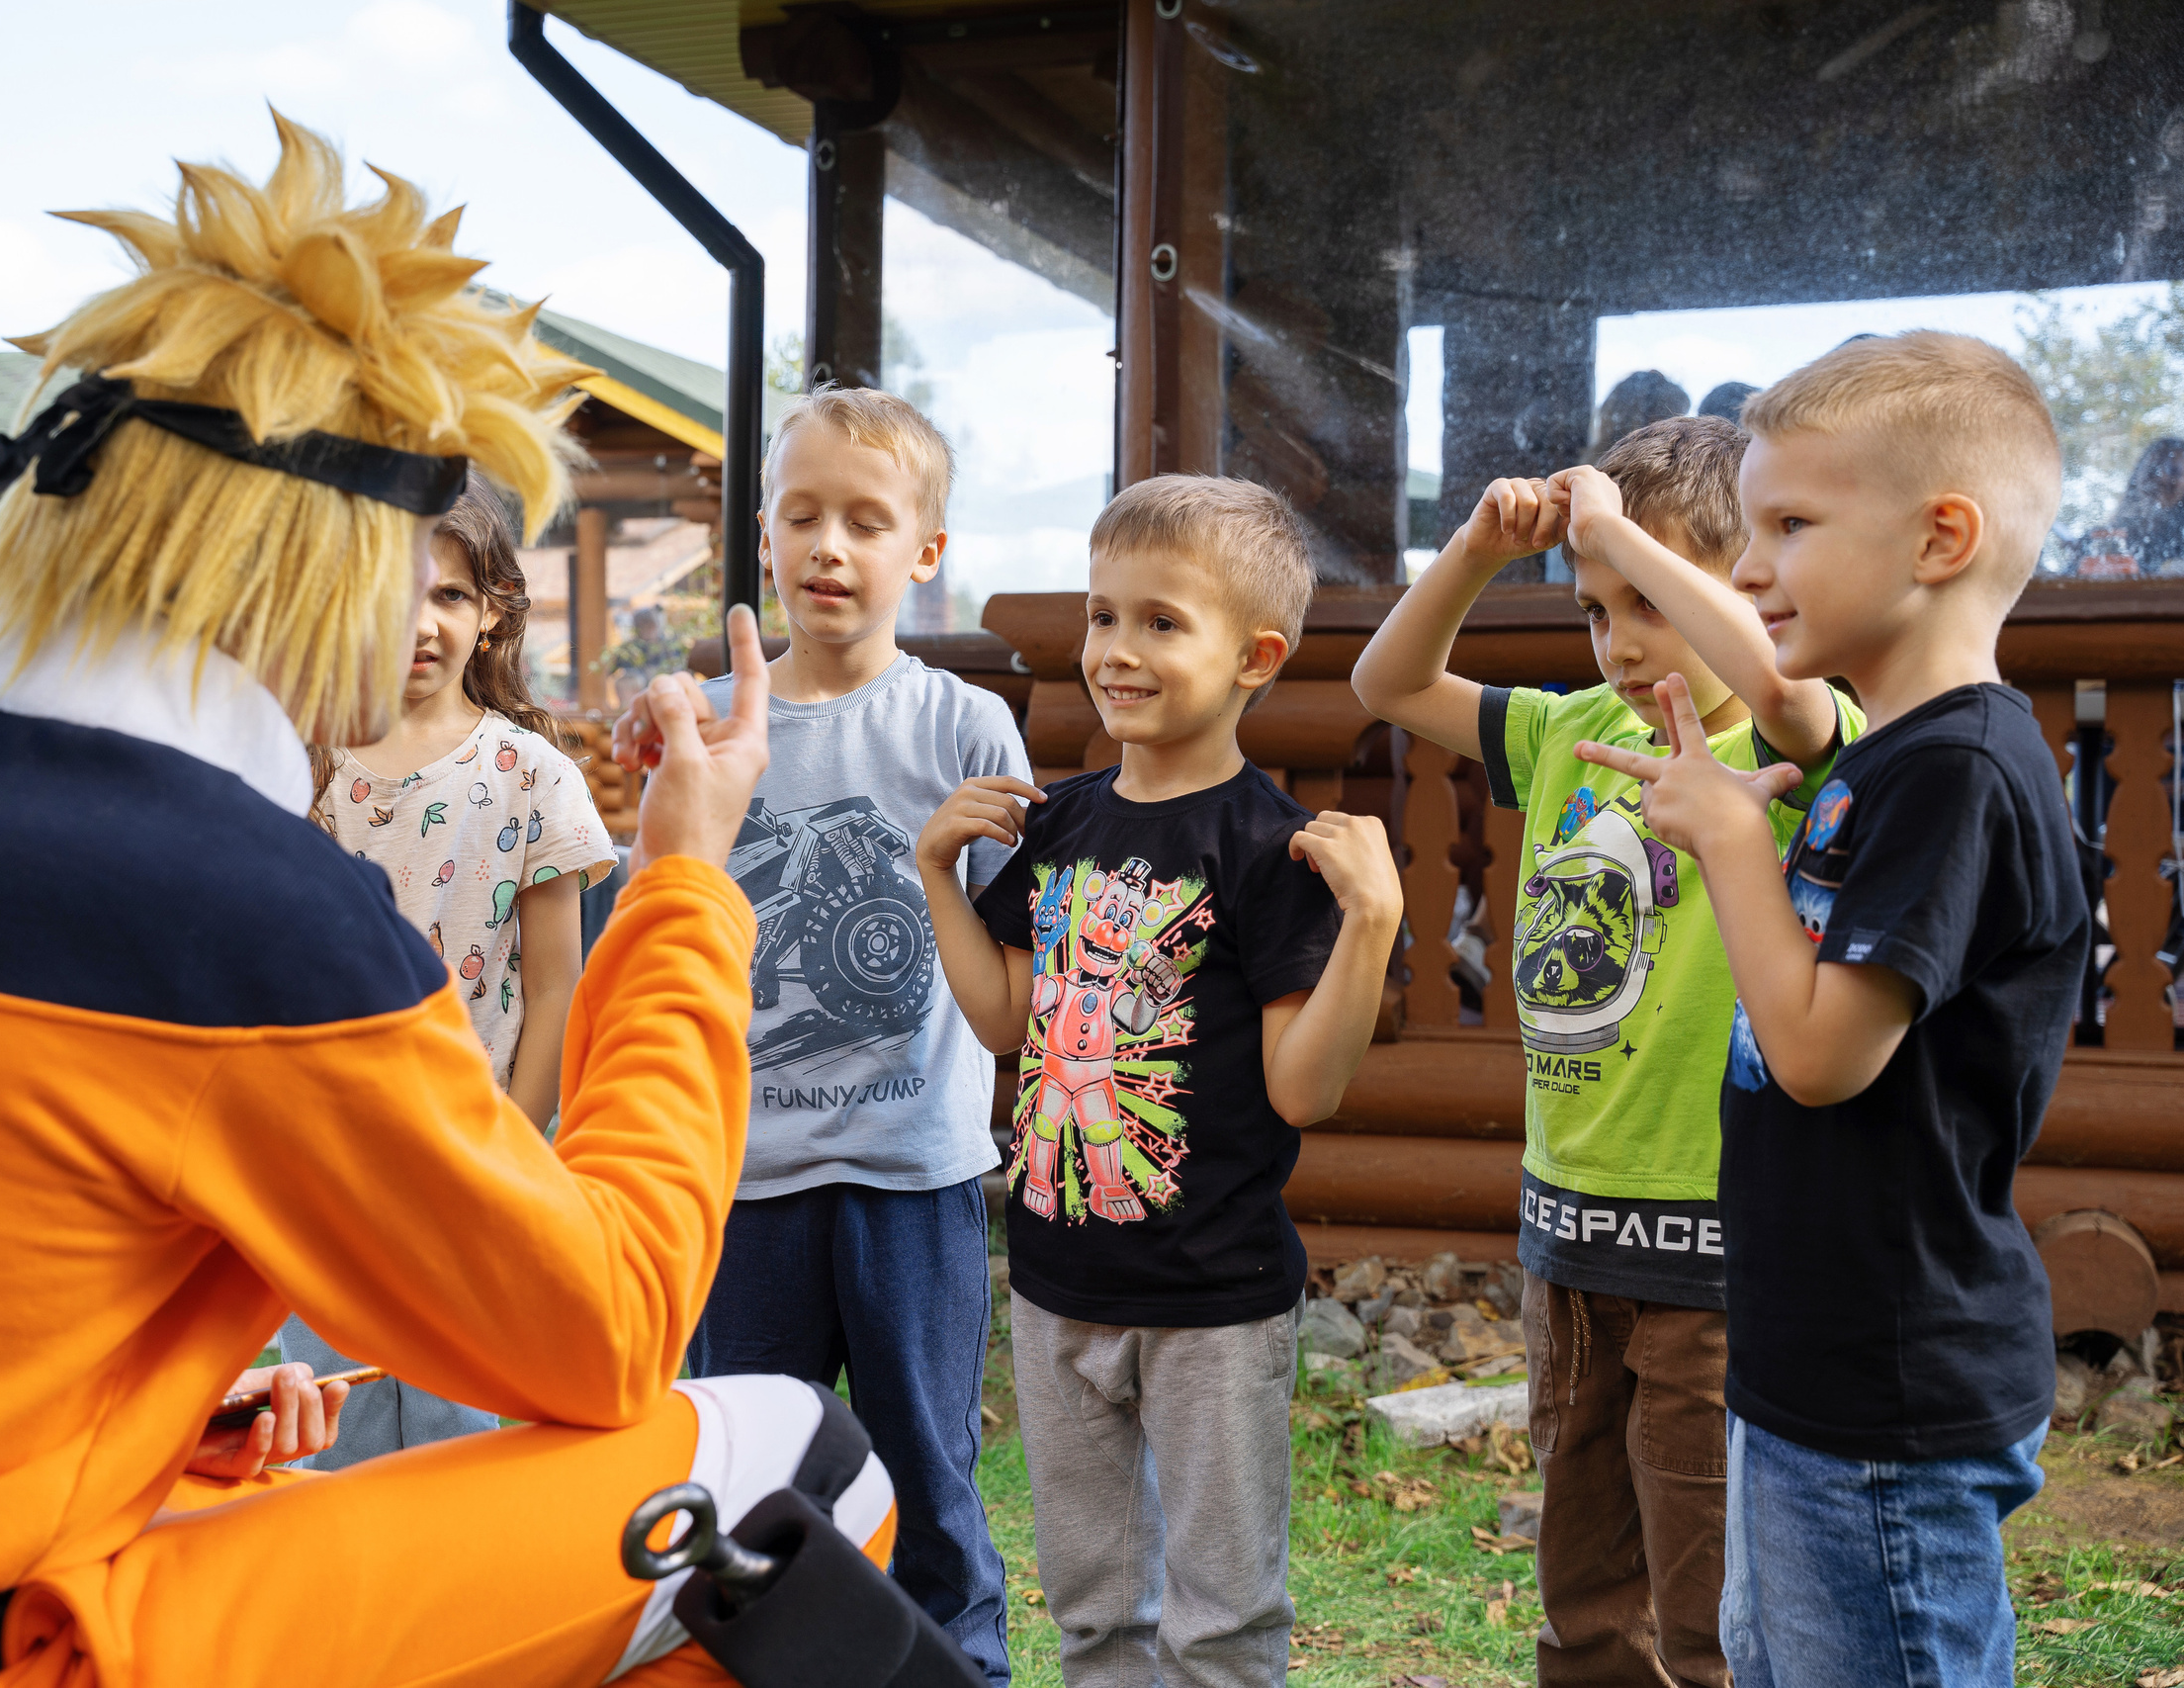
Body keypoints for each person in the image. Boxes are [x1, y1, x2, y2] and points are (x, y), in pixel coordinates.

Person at [0, 116, 903, 1688]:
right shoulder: (241, 905)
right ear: (336, 569)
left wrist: (149, 1417)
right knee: (794, 1466)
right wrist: (686, 882)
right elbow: (609, 1324)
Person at [1578, 331, 2083, 1687]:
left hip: (1890, 1391)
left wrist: (1733, 844)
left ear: (1940, 539)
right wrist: (1752, 819)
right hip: (1813, 1356)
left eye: (1789, 524)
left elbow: (1816, 1054)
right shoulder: (1891, 754)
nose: (1747, 566)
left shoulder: (1959, 773)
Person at [1353, 415, 1855, 1688]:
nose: (1621, 642)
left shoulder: (1791, 747)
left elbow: (1792, 696)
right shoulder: (1567, 729)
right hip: (1568, 1243)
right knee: (1582, 1597)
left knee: (1706, 1609)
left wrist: (1616, 529)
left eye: (1649, 600)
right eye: (1594, 607)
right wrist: (1473, 553)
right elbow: (1388, 687)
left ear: (1738, 588)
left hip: (1712, 1256)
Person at [918, 474, 1403, 1686]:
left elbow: (1303, 1091)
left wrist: (1374, 926)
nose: (1115, 652)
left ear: (1256, 656)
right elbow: (1008, 1026)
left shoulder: (1267, 849)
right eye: (1100, 616)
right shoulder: (1061, 824)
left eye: (1160, 623)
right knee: (1092, 1611)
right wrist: (936, 873)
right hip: (1056, 1283)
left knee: (1220, 1618)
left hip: (1213, 1303)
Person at [614, 385, 1029, 1686]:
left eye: (867, 519)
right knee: (752, 1474)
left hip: (917, 1170)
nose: (831, 546)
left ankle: (961, 1668)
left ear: (927, 552)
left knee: (929, 1469)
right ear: (765, 541)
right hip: (742, 1179)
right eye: (803, 516)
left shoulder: (961, 723)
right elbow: (655, 897)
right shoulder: (711, 722)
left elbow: (1020, 949)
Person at [281, 467, 618, 1467]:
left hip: (475, 1156)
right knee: (331, 1423)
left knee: (460, 1424)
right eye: (393, 595)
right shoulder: (298, 767)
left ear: (492, 611)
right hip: (326, 1163)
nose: (419, 622)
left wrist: (514, 1139)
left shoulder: (530, 776)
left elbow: (559, 979)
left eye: (449, 594)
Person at [2111, 435, 2184, 574]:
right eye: (2153, 468)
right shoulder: (2109, 537)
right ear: (2138, 474)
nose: (2161, 477)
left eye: (2174, 471)